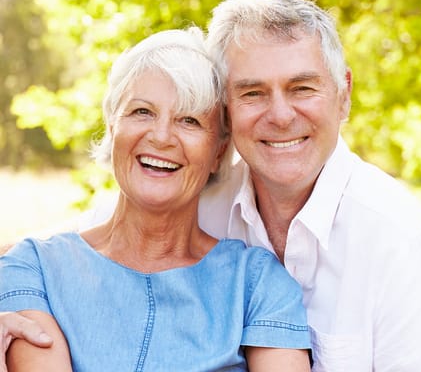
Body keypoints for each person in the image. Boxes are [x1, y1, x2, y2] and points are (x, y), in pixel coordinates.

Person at [2, 0, 421, 371]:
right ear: (228, 118)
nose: (280, 115)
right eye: (253, 93)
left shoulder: (397, 241)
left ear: (343, 95)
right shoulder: (193, 195)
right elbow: (82, 254)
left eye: (302, 88)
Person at [0, 27, 311, 371]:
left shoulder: (258, 285)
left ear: (219, 149)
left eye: (189, 120)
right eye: (142, 112)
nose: (161, 136)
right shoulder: (32, 268)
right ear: (112, 125)